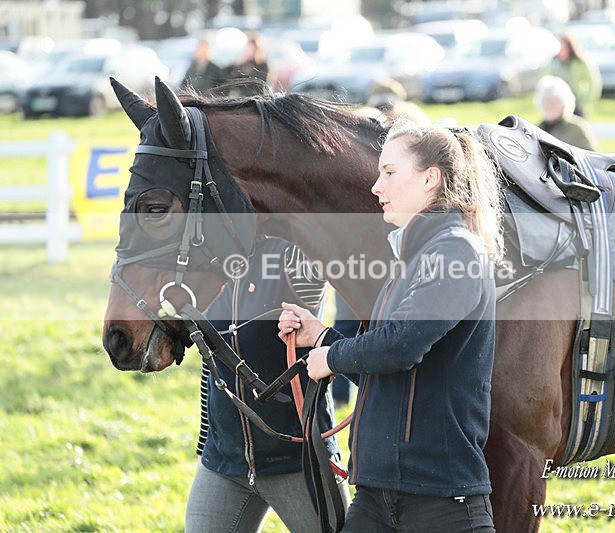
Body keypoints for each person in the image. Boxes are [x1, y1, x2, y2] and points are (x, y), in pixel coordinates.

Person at [278, 119, 502, 532]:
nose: (376, 187)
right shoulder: (412, 259)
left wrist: (332, 357)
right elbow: (391, 370)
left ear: (430, 179)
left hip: (441, 502)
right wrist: (322, 338)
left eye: (389, 173)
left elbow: (401, 346)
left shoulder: (456, 251)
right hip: (377, 496)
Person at [185, 236, 348, 533]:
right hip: (224, 463)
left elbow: (336, 244)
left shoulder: (293, 257)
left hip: (300, 463)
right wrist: (204, 445)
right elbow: (213, 365)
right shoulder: (211, 262)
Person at [534, 75, 600, 151]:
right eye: (545, 101)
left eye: (553, 101)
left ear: (564, 104)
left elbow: (593, 158)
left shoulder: (578, 129)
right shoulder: (537, 130)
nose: (549, 105)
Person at [548, 32, 602, 118]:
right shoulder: (554, 63)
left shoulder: (580, 62)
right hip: (559, 103)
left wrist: (586, 100)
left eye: (564, 47)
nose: (562, 51)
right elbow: (547, 80)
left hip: (577, 103)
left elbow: (593, 81)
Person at [228, 32, 272, 97]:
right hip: (244, 97)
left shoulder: (262, 63)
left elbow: (262, 81)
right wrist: (238, 64)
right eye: (248, 47)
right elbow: (233, 77)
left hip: (259, 96)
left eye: (251, 48)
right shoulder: (244, 62)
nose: (249, 50)